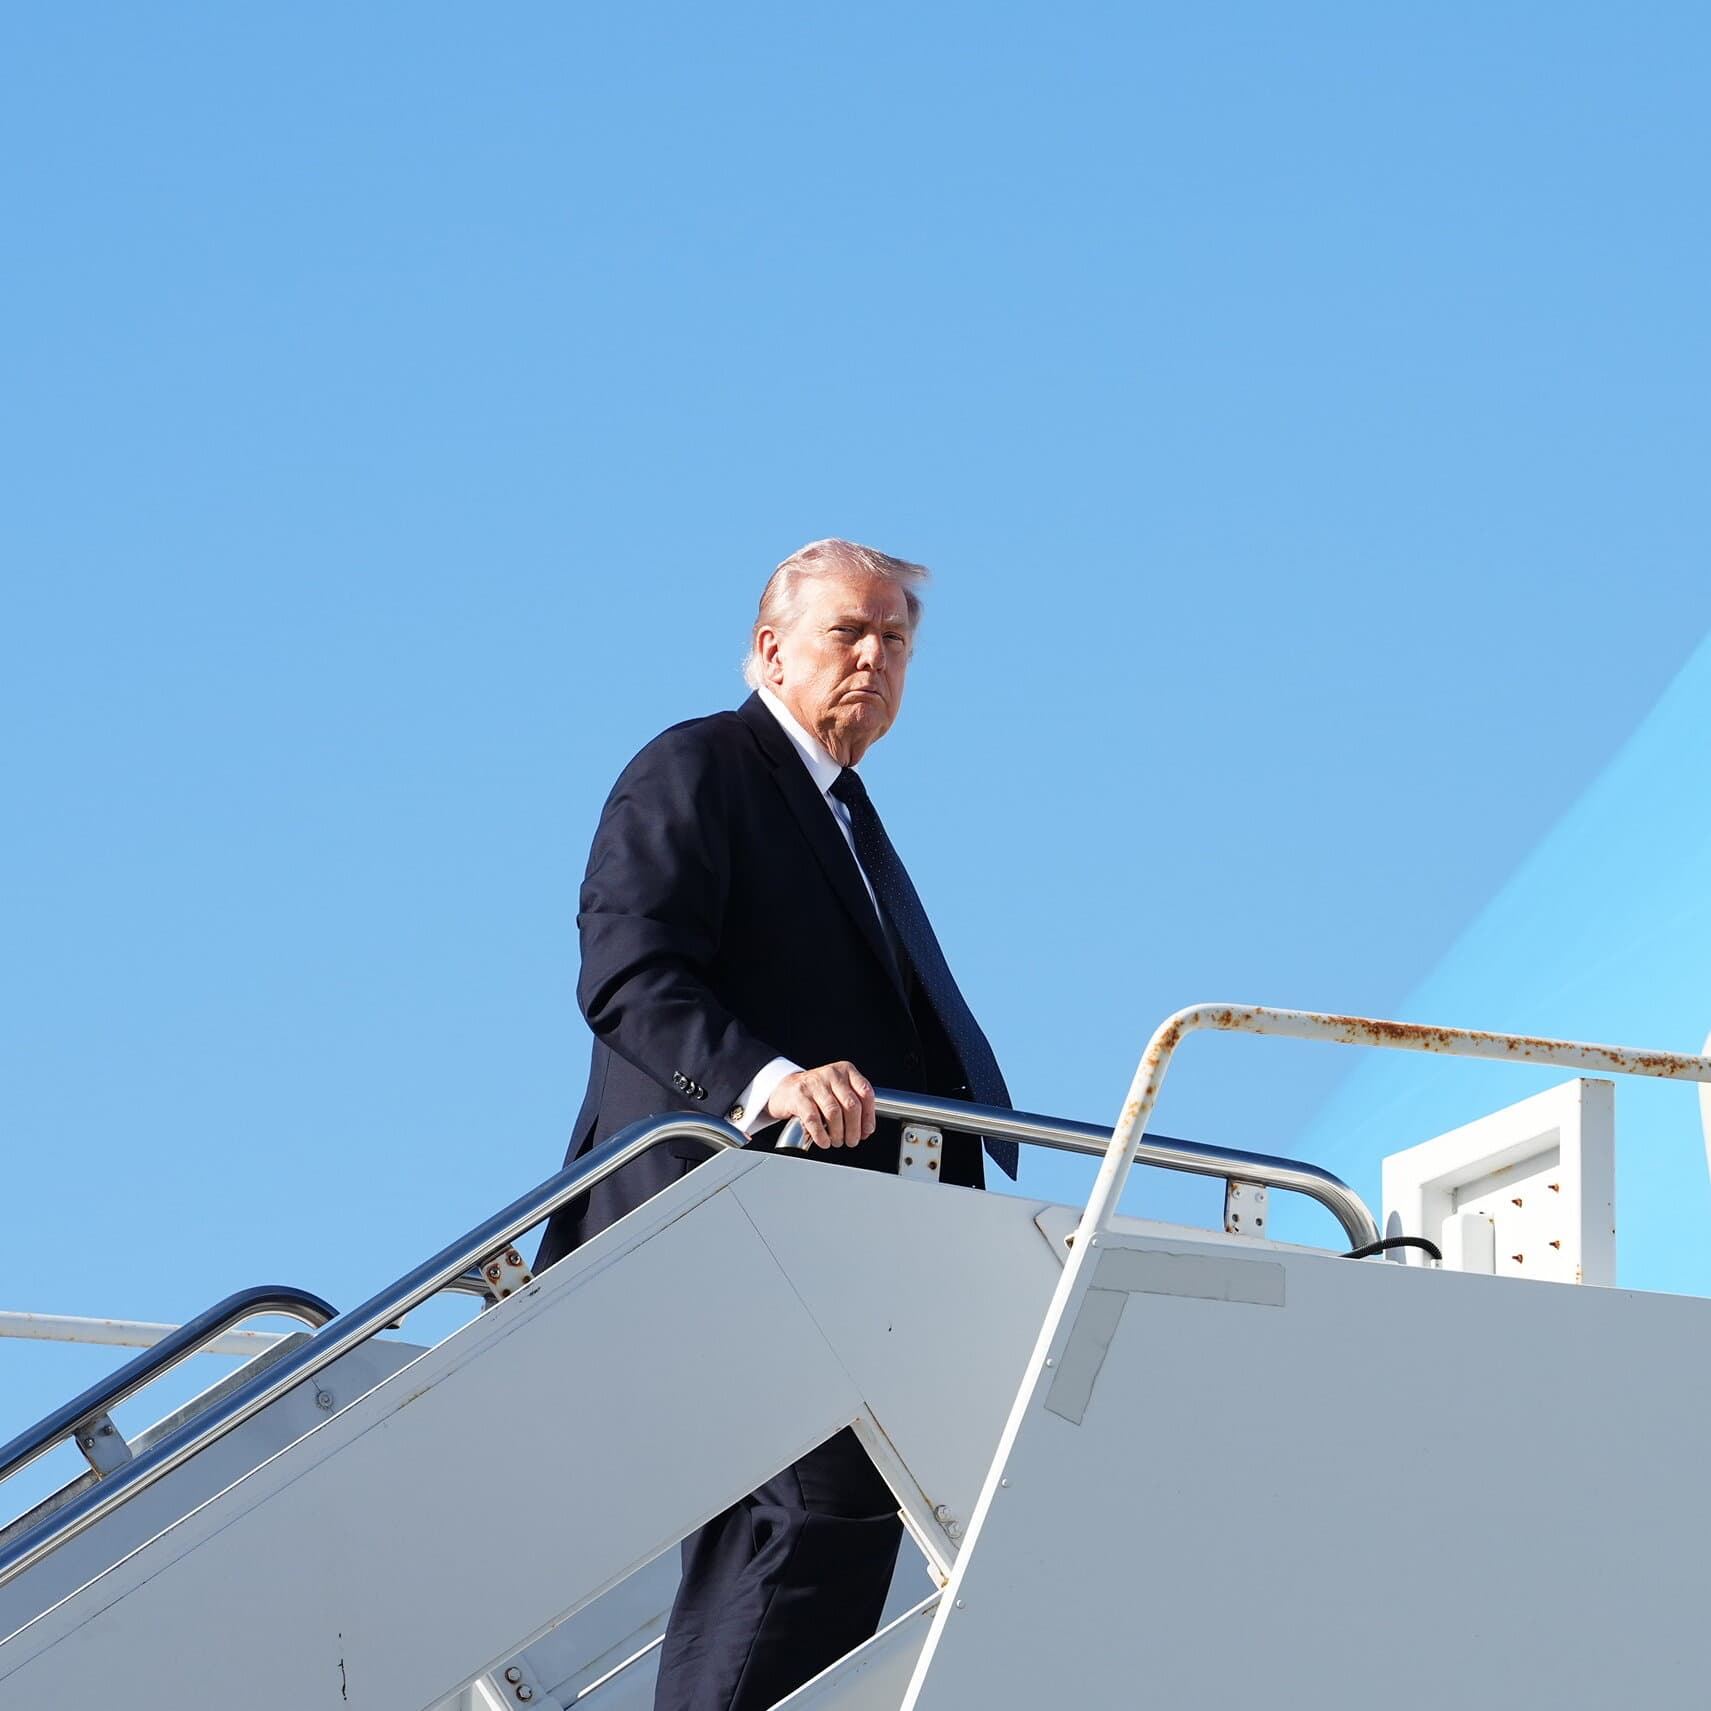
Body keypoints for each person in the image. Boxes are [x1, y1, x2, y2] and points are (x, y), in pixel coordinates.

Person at [536, 538, 1016, 1711]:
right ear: (770, 649)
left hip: (841, 1232)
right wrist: (768, 1081)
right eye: (848, 632)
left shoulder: (845, 812)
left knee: (831, 1515)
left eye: (895, 640)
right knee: (809, 1507)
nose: (874, 657)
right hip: (720, 1210)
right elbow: (629, 973)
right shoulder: (699, 766)